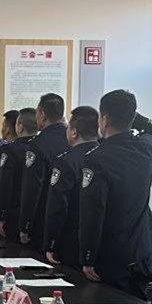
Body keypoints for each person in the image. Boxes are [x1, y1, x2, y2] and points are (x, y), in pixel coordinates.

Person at [77, 89, 152, 299]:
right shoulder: (146, 147)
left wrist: (87, 256)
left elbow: (93, 212)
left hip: (111, 252)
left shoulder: (96, 158)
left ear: (104, 120)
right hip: (143, 249)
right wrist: (135, 117)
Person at [44, 106, 102, 267]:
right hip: (101, 241)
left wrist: (51, 243)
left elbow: (57, 206)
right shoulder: (106, 157)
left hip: (71, 240)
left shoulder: (66, 162)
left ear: (74, 132)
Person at [19, 93, 70, 245]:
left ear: (42, 114)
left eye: (36, 112)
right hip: (69, 219)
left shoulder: (37, 145)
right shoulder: (72, 140)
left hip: (43, 220)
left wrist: (25, 225)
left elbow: (32, 188)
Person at [0, 107, 38, 238]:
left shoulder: (10, 150)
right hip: (38, 214)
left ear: (20, 127)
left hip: (14, 214)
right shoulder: (42, 147)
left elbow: (5, 185)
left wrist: (1, 216)